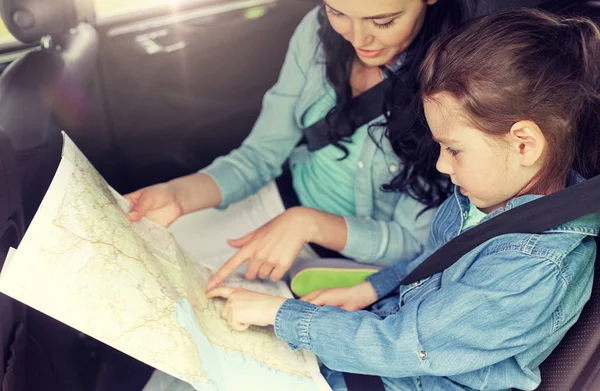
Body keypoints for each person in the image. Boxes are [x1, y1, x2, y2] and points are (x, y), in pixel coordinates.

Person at [204, 8, 600, 391]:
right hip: (384, 348)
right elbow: (433, 262)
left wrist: (282, 316)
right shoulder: (484, 200)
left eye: (454, 149)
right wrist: (374, 288)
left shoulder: (532, 268)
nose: (442, 166)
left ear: (524, 145)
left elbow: (405, 346)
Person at [126, 0, 472, 294]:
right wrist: (179, 193)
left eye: (383, 21)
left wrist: (309, 224)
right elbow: (260, 155)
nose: (358, 38)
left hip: (348, 261)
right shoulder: (316, 33)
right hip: (278, 202)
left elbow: (415, 245)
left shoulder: (459, 81)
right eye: (338, 12)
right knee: (138, 267)